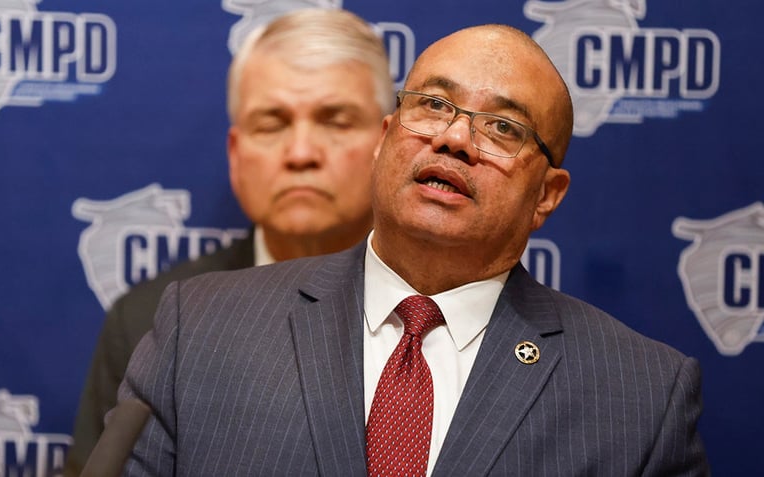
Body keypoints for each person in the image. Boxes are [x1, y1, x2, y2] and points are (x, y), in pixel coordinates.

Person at [119, 23, 709, 476]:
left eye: (504, 128)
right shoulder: (199, 327)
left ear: (547, 196)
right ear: (384, 141)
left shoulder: (642, 396)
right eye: (433, 105)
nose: (455, 139)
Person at [66, 8, 394, 474]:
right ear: (237, 156)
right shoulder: (149, 320)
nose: (301, 154)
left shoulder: (432, 311)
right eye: (272, 123)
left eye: (336, 121)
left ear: (388, 144)